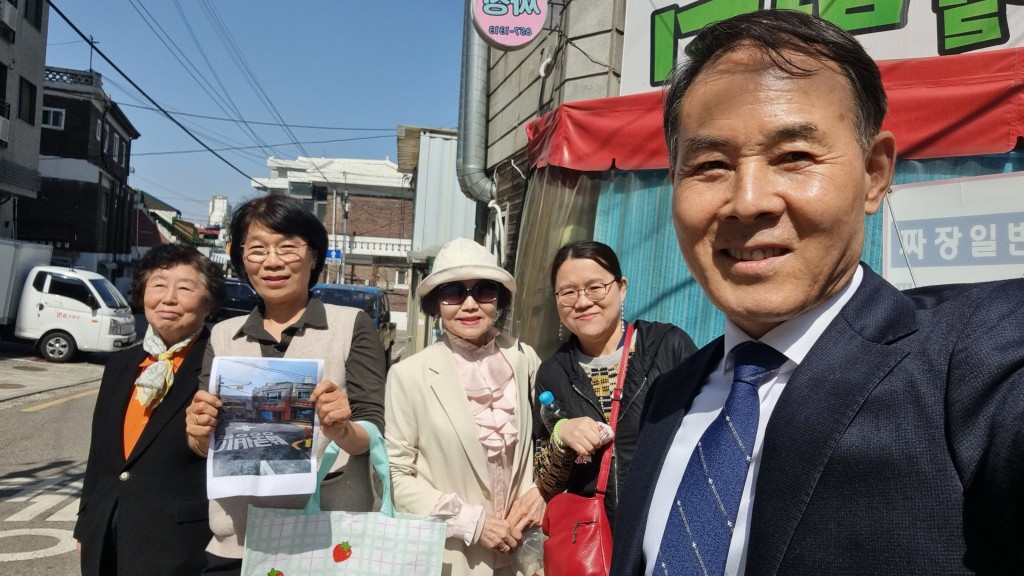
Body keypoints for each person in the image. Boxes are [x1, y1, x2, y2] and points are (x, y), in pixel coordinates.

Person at [611, 9, 1024, 576]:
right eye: (710, 164)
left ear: (874, 174)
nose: (748, 201)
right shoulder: (669, 396)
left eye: (794, 157)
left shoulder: (975, 360)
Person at [185, 194, 387, 575]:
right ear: (242, 259)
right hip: (238, 539)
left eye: (288, 247)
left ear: (313, 256)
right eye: (257, 249)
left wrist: (342, 428)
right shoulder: (224, 335)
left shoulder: (350, 326)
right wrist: (197, 432)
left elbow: (373, 433)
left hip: (326, 539)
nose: (273, 261)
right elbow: (203, 445)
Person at [385, 237, 544, 576]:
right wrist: (471, 522)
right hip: (452, 557)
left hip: (524, 554)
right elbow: (395, 475)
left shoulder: (525, 359)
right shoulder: (408, 375)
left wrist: (539, 493)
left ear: (498, 299)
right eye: (453, 292)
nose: (469, 304)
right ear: (436, 303)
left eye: (483, 291)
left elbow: (546, 441)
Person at [76, 243, 226, 576]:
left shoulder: (220, 366)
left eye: (185, 288)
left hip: (180, 544)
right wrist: (86, 523)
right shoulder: (121, 364)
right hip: (107, 531)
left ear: (209, 302)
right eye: (158, 285)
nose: (168, 298)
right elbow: (100, 455)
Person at [533, 240, 695, 527]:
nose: (582, 302)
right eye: (568, 292)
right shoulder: (552, 373)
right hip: (593, 539)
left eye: (595, 287)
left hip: (667, 527)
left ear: (622, 287)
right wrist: (561, 434)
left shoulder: (668, 347)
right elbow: (548, 484)